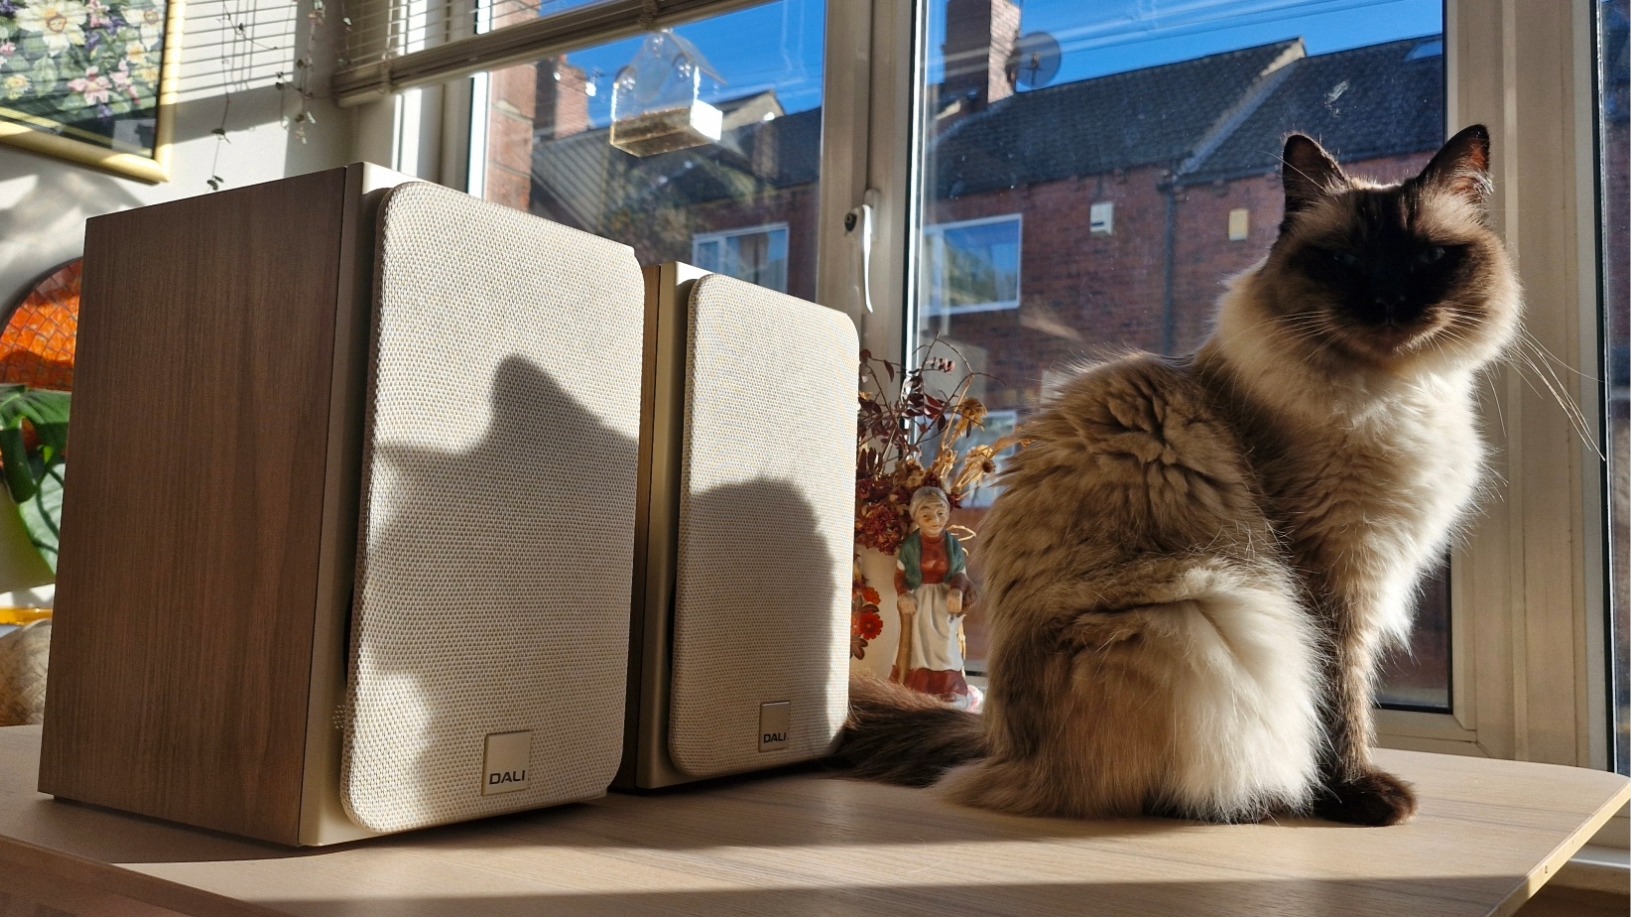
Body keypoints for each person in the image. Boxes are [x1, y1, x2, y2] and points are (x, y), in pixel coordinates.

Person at [892, 486, 981, 711]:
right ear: (916, 517)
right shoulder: (911, 546)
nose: (935, 520)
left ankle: (952, 689)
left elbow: (960, 574)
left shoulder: (952, 545)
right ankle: (918, 689)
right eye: (926, 515)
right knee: (918, 647)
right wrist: (904, 595)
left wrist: (956, 591)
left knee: (944, 646)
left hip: (944, 603)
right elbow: (900, 575)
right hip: (919, 602)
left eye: (941, 513)